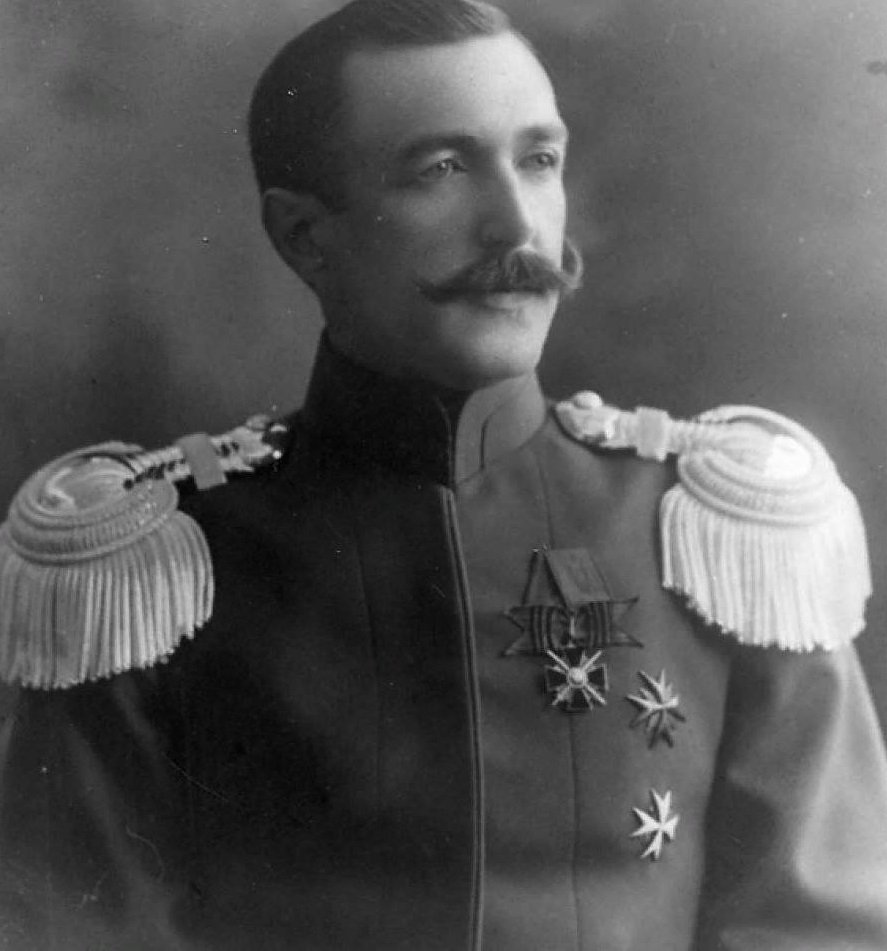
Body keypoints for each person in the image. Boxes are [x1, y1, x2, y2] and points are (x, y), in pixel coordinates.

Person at [0, 0, 885, 948]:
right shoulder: (155, 578)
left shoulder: (720, 540)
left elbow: (818, 930)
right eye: (441, 169)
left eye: (538, 160)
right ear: (304, 235)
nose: (516, 226)